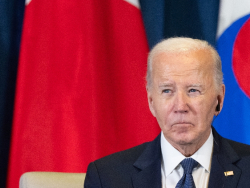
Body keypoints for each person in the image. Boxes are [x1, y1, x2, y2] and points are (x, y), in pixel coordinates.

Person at [84, 37, 250, 188]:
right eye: (167, 91)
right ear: (151, 102)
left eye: (193, 90)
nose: (180, 106)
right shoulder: (106, 177)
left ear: (219, 99)